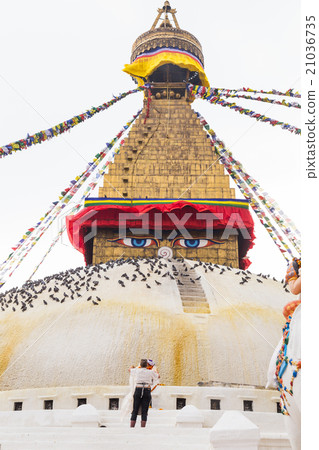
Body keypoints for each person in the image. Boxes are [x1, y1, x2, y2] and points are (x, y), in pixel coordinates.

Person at [130, 359, 158, 428]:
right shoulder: (150, 372)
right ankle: (143, 427)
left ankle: (132, 427)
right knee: (144, 410)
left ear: (140, 364)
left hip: (138, 388)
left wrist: (135, 367)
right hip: (146, 389)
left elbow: (129, 370)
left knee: (135, 409)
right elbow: (158, 376)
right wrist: (154, 369)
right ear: (147, 365)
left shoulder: (136, 371)